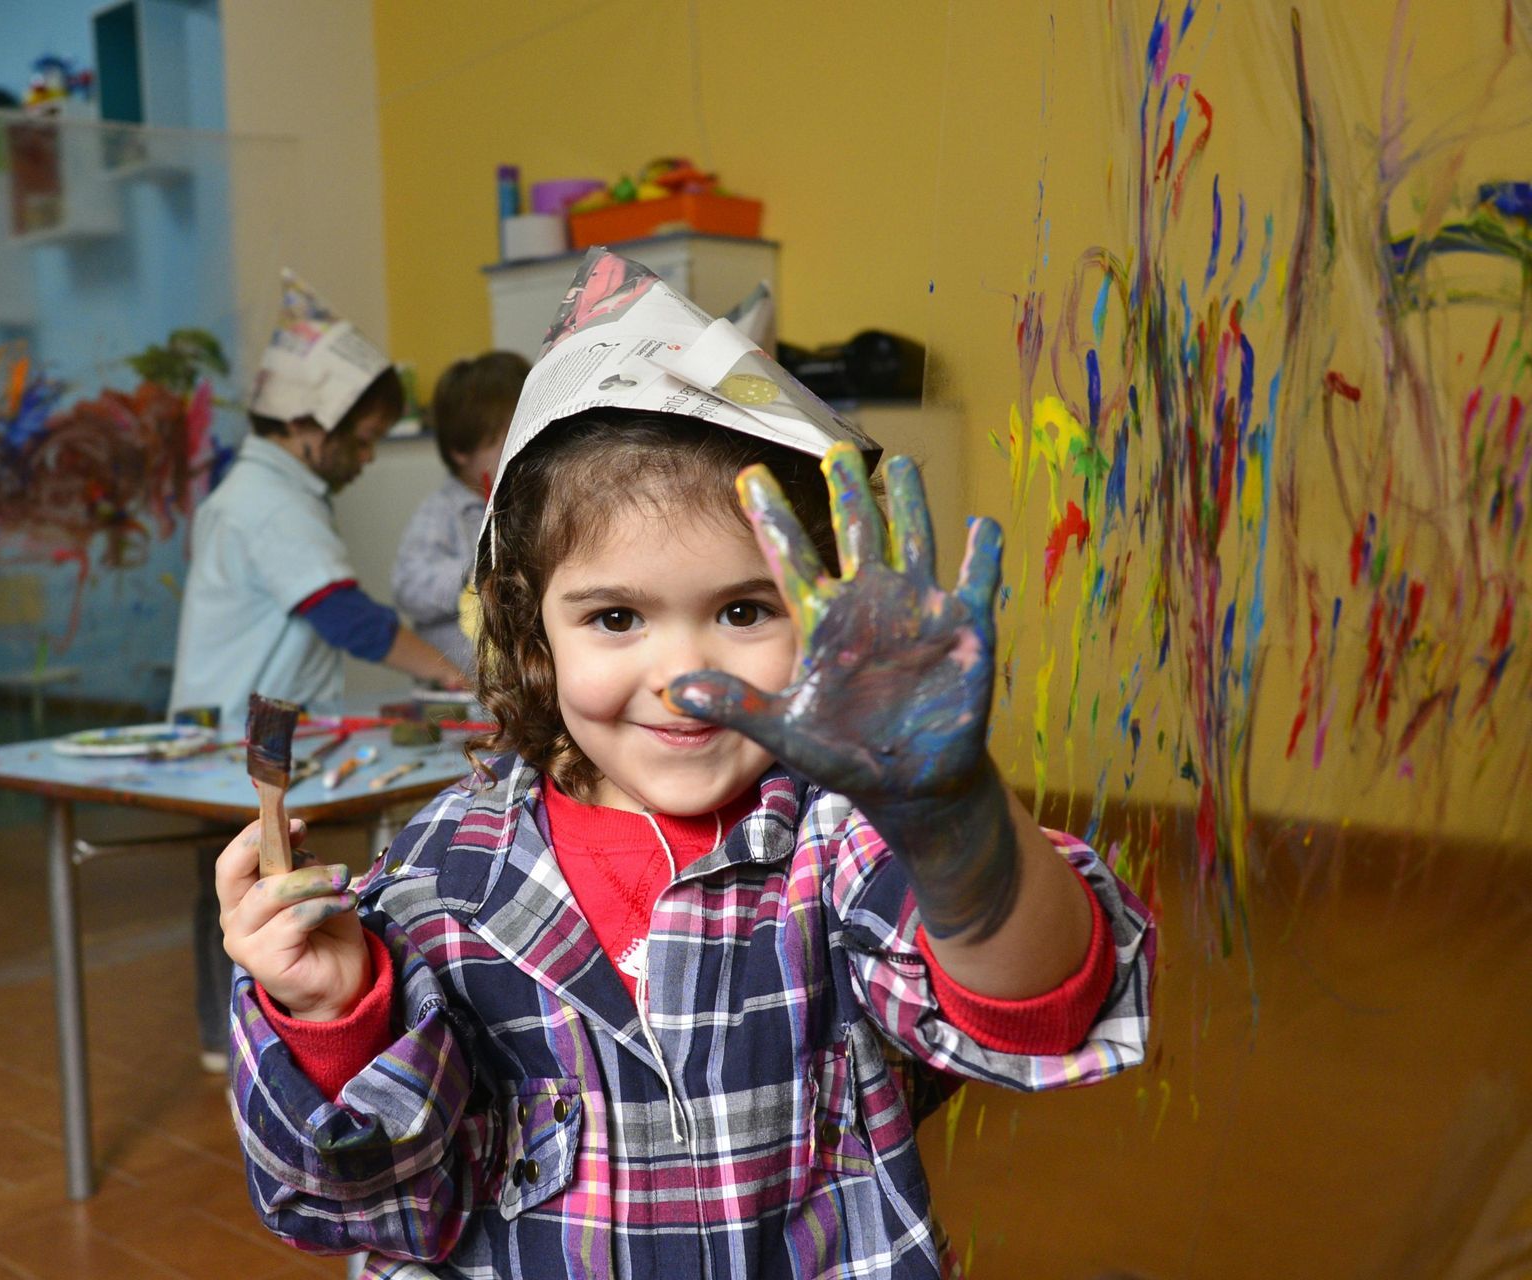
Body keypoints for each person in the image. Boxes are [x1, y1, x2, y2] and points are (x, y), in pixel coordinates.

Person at [213, 253, 1155, 1276]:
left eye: (744, 610)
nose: (686, 678)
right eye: (616, 616)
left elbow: (1047, 1008)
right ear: (535, 635)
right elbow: (374, 1199)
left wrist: (954, 818)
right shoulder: (440, 877)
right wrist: (334, 1007)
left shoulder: (836, 839)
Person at [172, 270, 465, 1072]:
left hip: (247, 721)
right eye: (361, 437)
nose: (366, 458)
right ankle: (246, 1045)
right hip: (239, 730)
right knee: (245, 892)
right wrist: (452, 675)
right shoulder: (270, 501)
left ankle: (231, 1040)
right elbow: (347, 616)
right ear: (308, 421)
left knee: (235, 890)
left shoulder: (270, 490)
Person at [391, 350, 530, 675]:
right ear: (461, 449)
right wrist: (472, 573)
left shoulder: (530, 505)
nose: (523, 453)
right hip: (457, 688)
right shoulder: (442, 512)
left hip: (517, 687)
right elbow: (407, 586)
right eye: (507, 443)